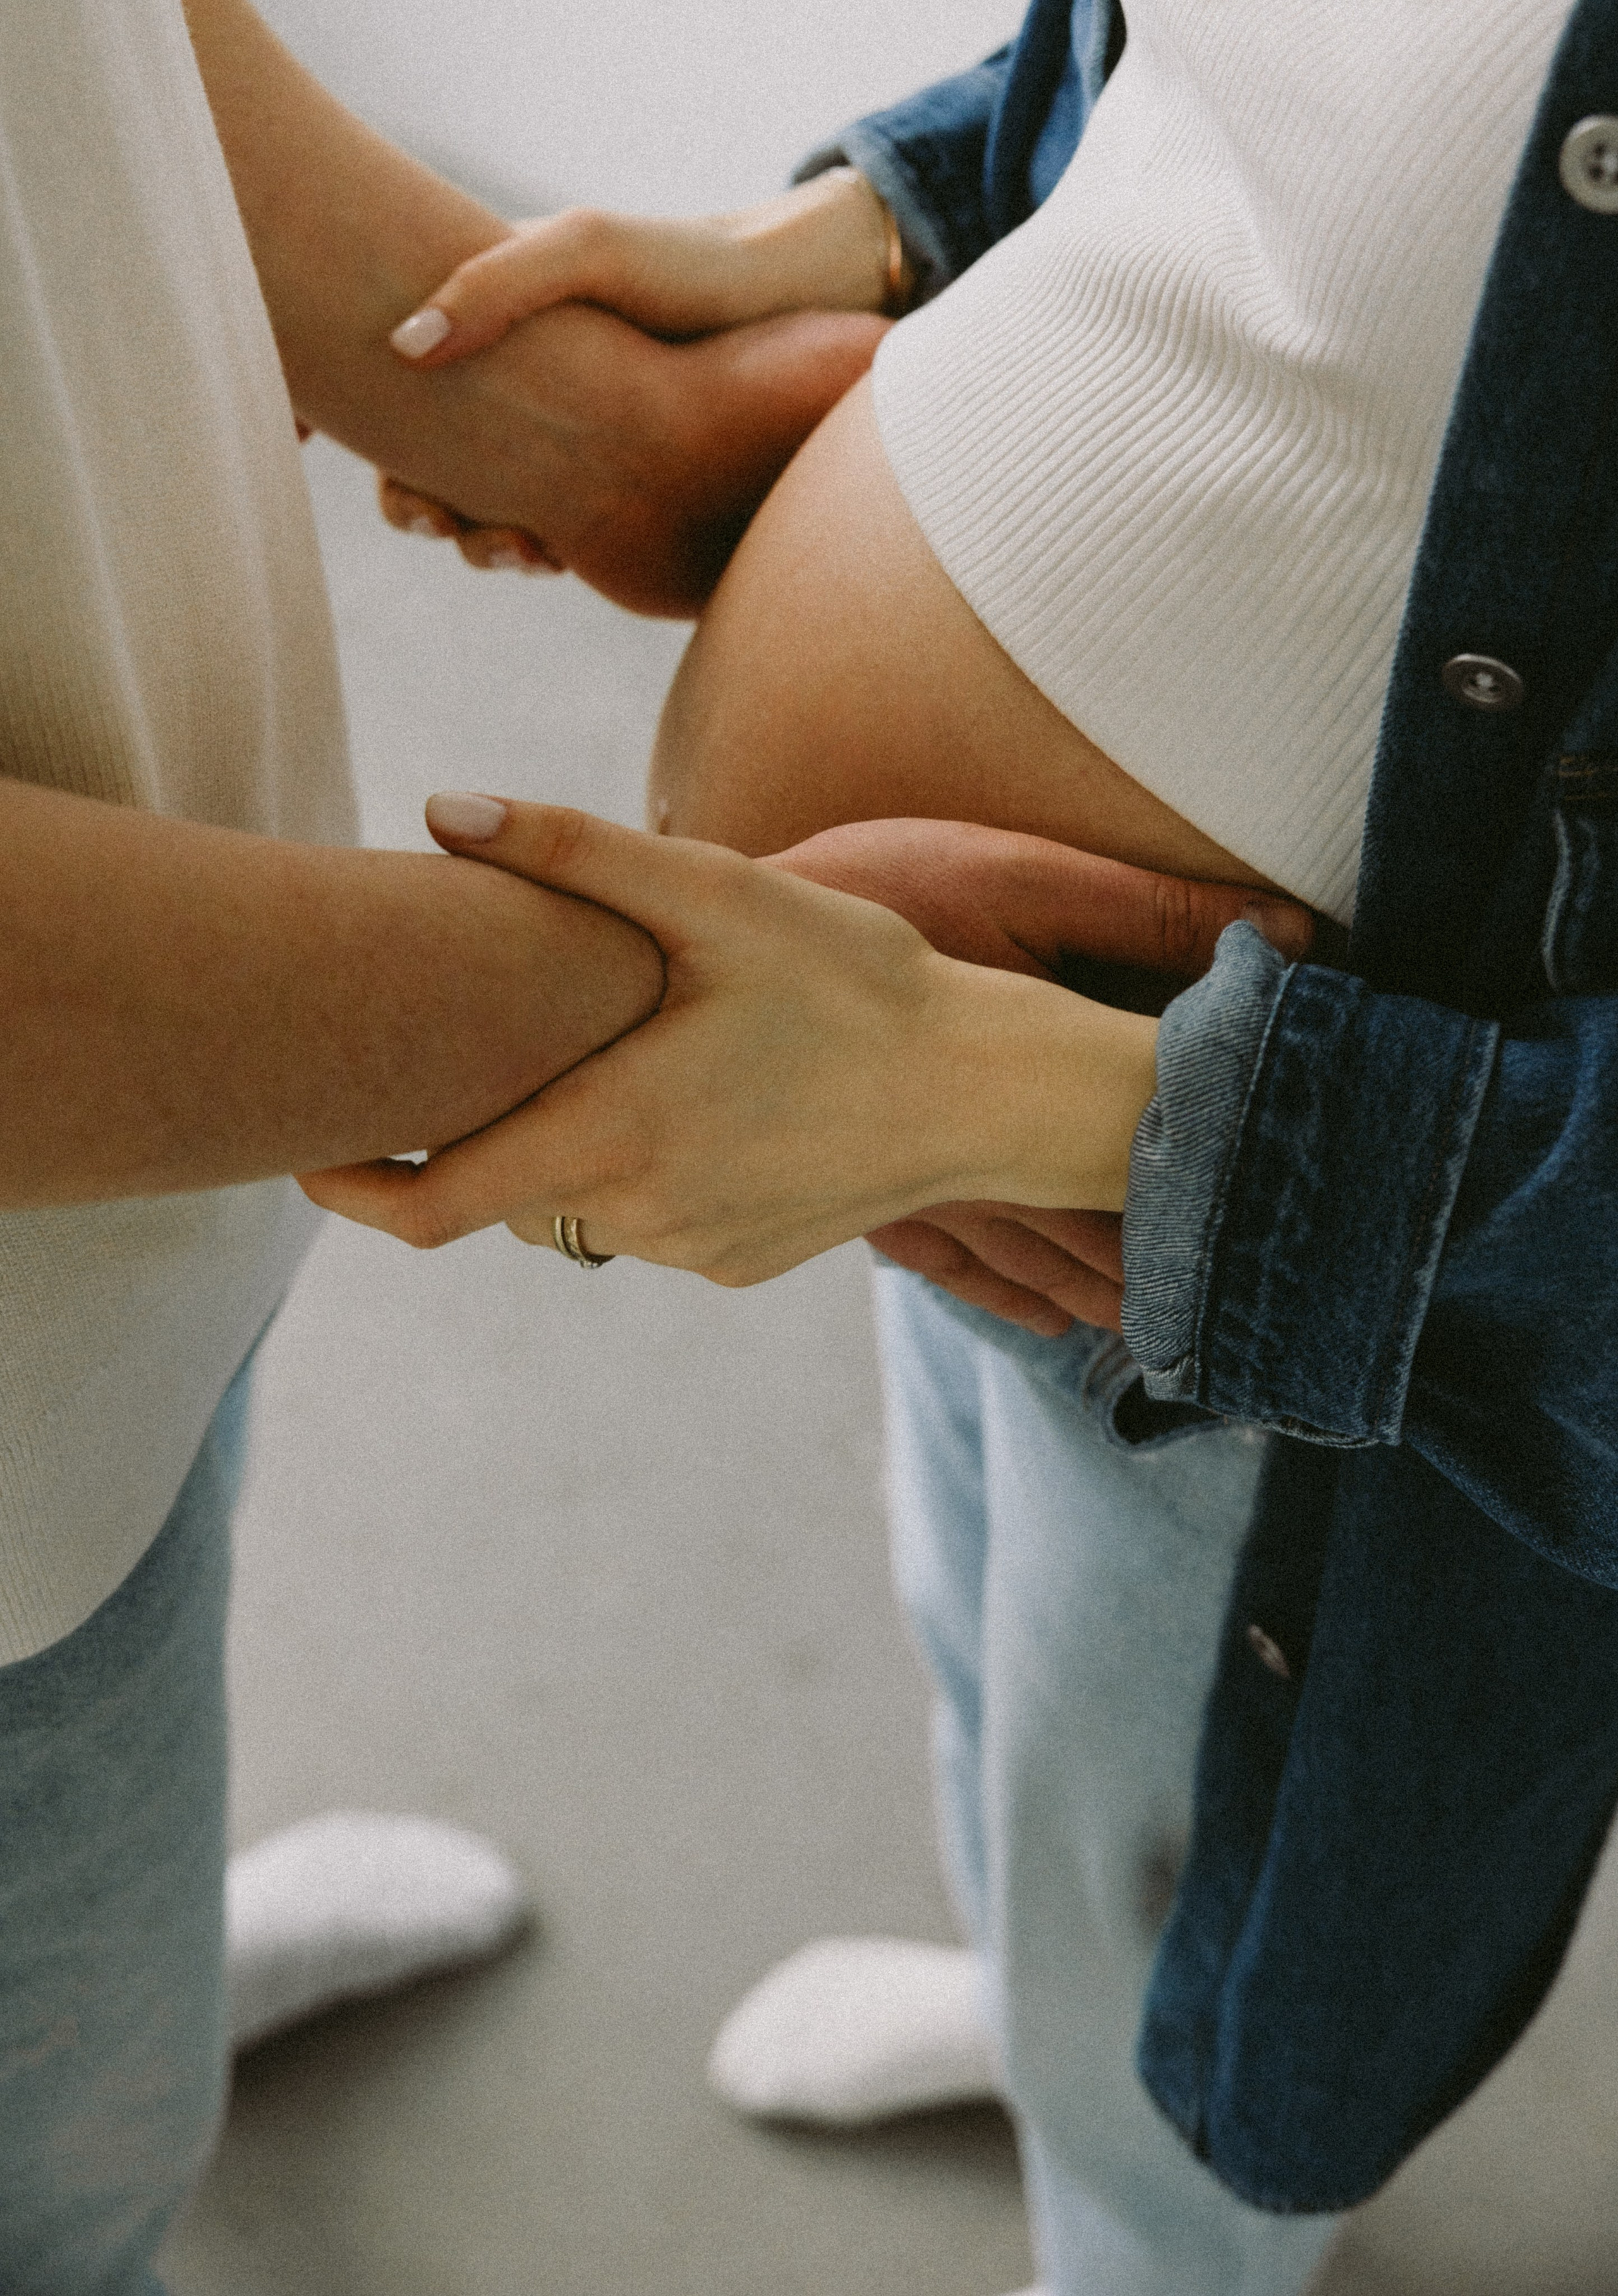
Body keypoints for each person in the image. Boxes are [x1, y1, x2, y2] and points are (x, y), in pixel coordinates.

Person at [315, 2, 1618, 2293]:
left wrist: (1082, 1107)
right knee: (1006, 1648)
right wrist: (880, 220)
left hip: (1243, 1251)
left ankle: (1142, 2224)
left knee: (1171, 1829)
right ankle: (1063, 2010)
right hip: (923, 1125)